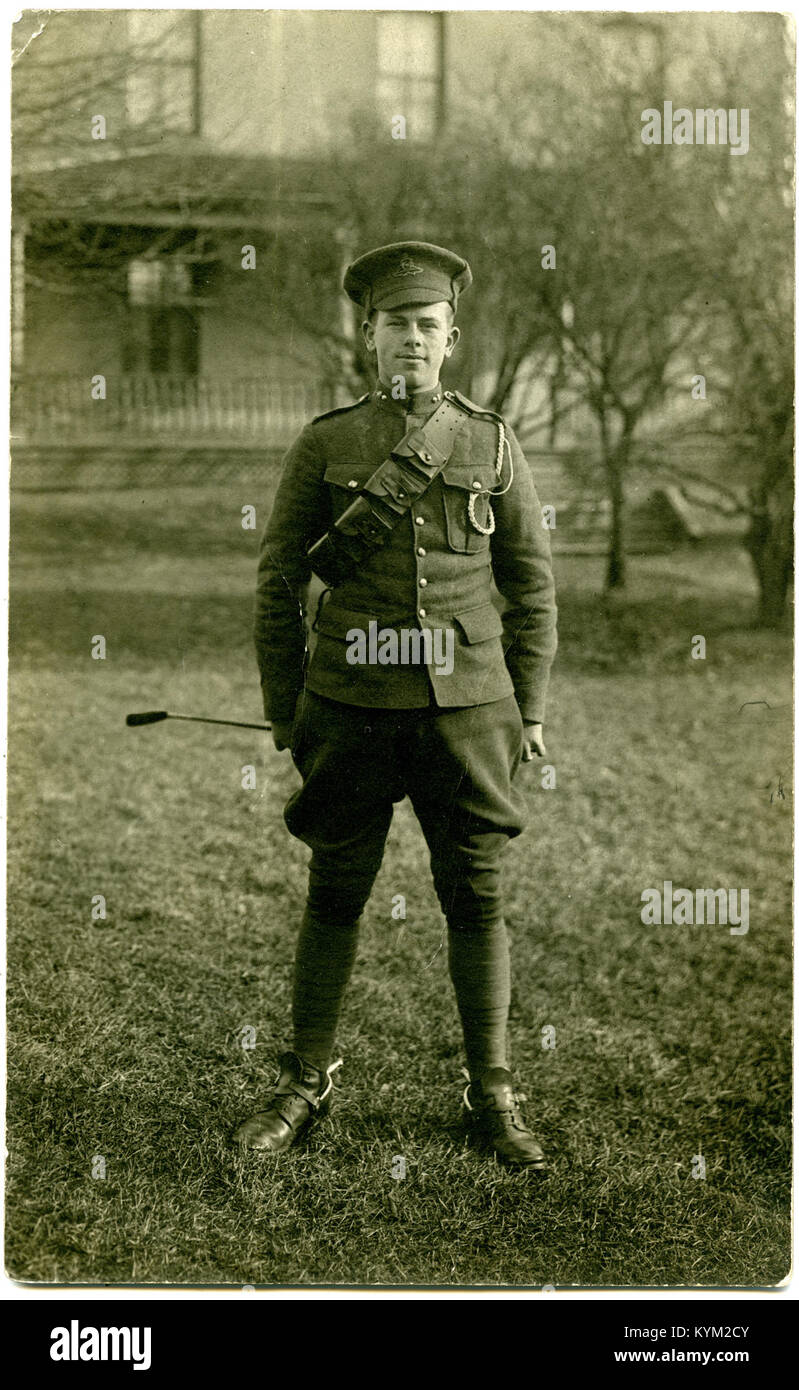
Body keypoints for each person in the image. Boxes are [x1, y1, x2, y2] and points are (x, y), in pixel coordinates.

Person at [233, 241, 557, 1167]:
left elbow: (532, 589)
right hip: (347, 708)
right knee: (335, 889)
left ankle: (491, 1092)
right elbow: (275, 586)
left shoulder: (491, 440)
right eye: (393, 326)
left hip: (469, 715)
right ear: (365, 336)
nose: (410, 340)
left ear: (449, 337)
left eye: (426, 326)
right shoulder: (325, 442)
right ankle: (305, 1080)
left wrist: (527, 712)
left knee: (477, 897)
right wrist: (286, 709)